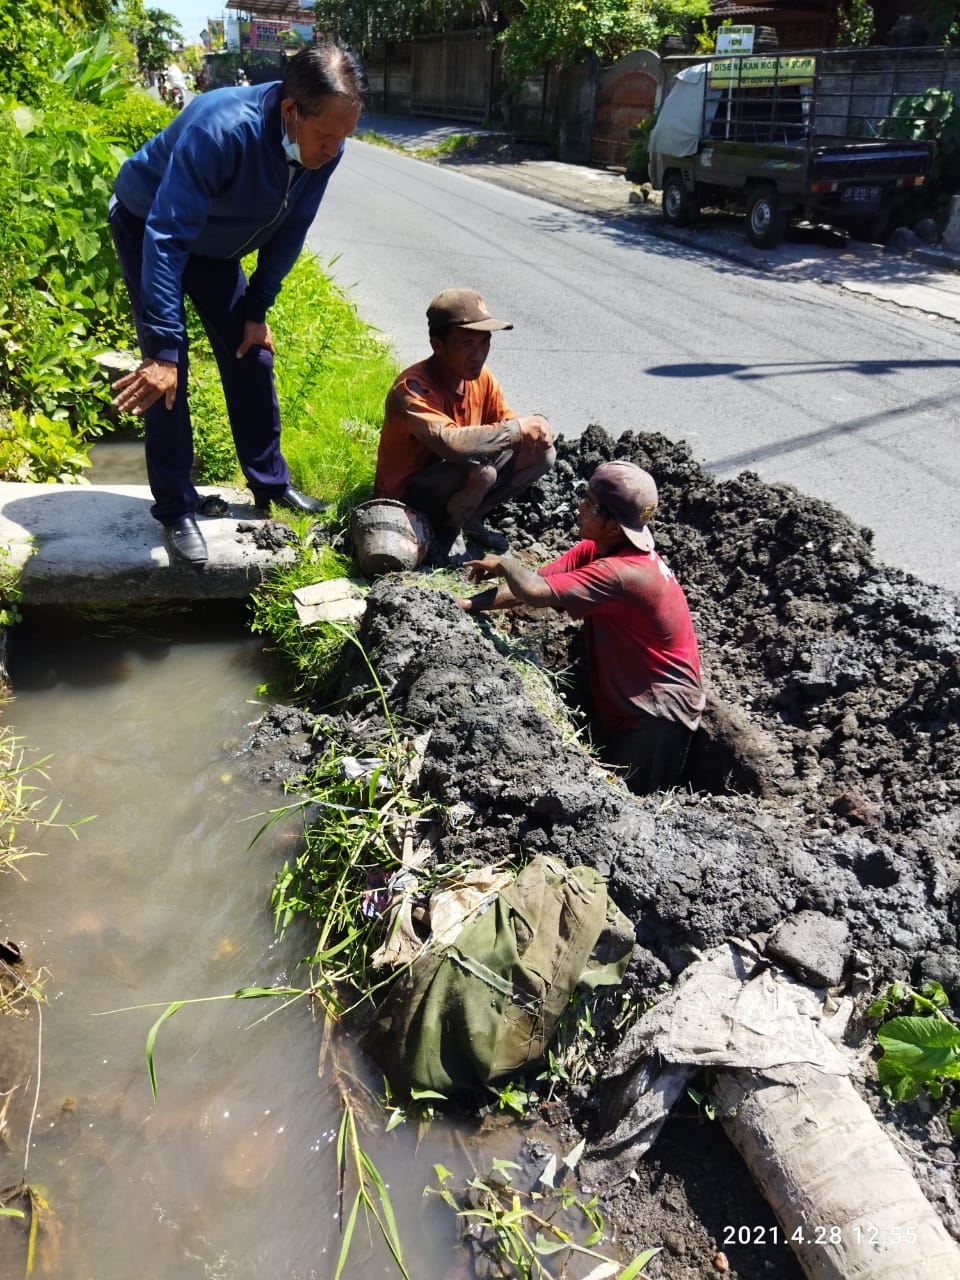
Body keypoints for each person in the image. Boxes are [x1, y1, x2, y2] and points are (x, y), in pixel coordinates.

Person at [109, 43, 366, 565]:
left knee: (253, 350)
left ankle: (269, 483)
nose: (332, 149)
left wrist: (256, 309)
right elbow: (166, 233)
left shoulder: (324, 149)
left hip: (215, 245)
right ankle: (177, 509)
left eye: (344, 138)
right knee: (167, 374)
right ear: (291, 111)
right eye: (325, 136)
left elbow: (292, 229)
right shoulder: (222, 128)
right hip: (149, 227)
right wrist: (160, 347)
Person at [458, 460, 705, 794]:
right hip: (632, 705)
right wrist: (469, 605)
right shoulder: (598, 550)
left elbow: (531, 590)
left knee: (629, 807)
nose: (580, 507)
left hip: (658, 717)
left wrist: (505, 563)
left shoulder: (622, 573)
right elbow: (537, 584)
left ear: (615, 527)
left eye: (590, 504)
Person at [373, 288, 556, 563]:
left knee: (541, 453)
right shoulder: (412, 389)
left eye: (485, 343)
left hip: (457, 479)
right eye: (467, 344)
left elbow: (504, 427)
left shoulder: (481, 378)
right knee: (482, 471)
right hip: (406, 495)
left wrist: (534, 429)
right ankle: (446, 534)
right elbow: (449, 444)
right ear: (437, 345)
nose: (478, 355)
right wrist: (518, 429)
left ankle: (468, 518)